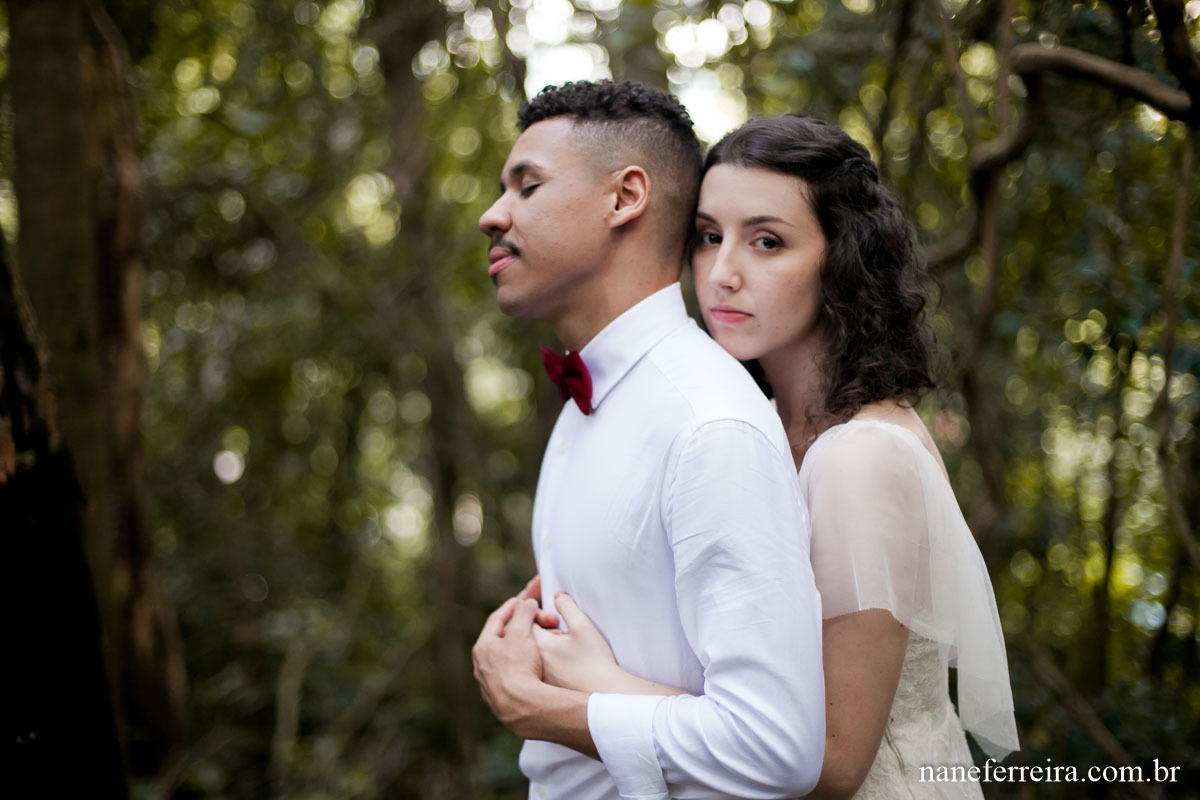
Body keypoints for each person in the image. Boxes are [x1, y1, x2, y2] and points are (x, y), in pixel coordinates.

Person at [534, 114, 1021, 798]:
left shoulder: (861, 457)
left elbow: (833, 762)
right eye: (709, 237)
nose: (722, 273)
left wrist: (598, 686)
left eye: (767, 241)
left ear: (842, 260)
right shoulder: (747, 427)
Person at [470, 82, 826, 800]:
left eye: (527, 187)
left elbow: (776, 748)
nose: (492, 215)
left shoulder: (708, 424)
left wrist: (539, 708)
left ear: (624, 198)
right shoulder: (585, 407)